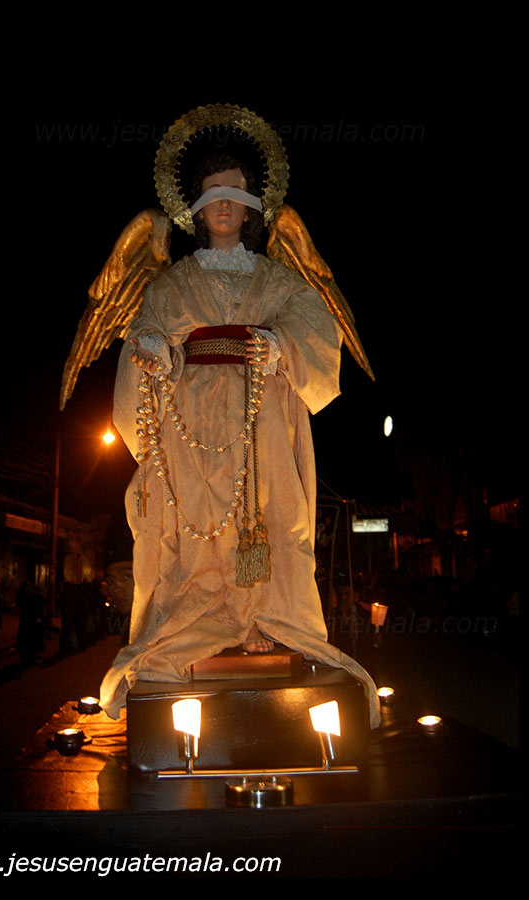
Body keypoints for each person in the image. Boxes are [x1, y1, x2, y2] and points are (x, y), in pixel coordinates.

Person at [99, 152, 380, 728]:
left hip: (262, 413)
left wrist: (281, 345)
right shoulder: (174, 281)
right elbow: (149, 328)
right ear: (196, 209)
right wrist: (153, 349)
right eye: (212, 193)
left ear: (251, 207)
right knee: (197, 520)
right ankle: (199, 620)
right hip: (192, 417)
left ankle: (261, 619)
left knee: (272, 516)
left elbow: (315, 328)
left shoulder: (277, 279)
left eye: (235, 193)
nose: (223, 204)